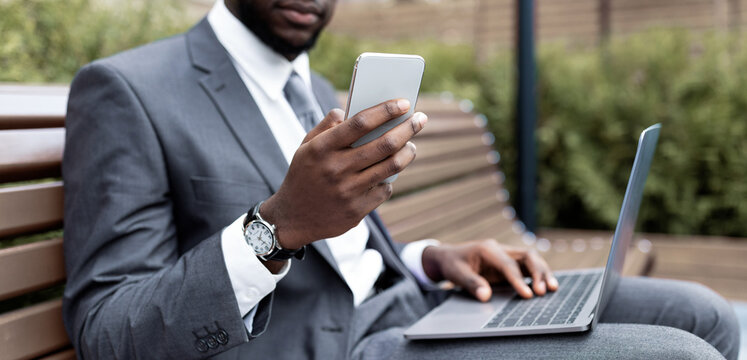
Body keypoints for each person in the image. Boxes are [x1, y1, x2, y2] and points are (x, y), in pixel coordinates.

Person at [61, 0, 740, 359]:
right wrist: (277, 227)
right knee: (675, 354)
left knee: (704, 313)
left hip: (416, 307)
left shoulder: (319, 88)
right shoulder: (128, 91)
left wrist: (427, 259)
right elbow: (108, 331)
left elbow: (348, 255)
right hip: (333, 348)